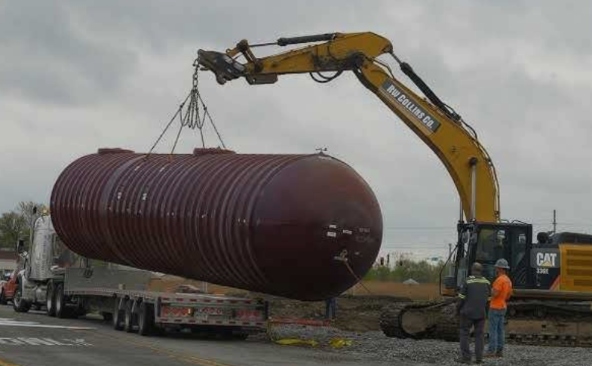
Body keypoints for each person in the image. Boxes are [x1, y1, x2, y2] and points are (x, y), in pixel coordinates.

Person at [456, 262, 491, 364]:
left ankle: (466, 358)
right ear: (481, 271)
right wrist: (486, 313)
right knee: (479, 335)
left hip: (467, 313)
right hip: (481, 313)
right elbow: (489, 301)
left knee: (464, 333)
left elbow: (461, 299)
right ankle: (479, 358)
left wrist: (457, 310)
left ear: (472, 270)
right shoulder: (487, 283)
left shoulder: (467, 281)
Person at [486, 258, 513, 358]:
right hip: (503, 306)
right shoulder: (508, 281)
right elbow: (509, 295)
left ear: (500, 268)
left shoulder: (499, 280)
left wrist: (490, 293)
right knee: (500, 329)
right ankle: (499, 351)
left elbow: (495, 293)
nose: (495, 269)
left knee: (493, 329)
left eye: (496, 267)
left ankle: (491, 351)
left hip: (495, 307)